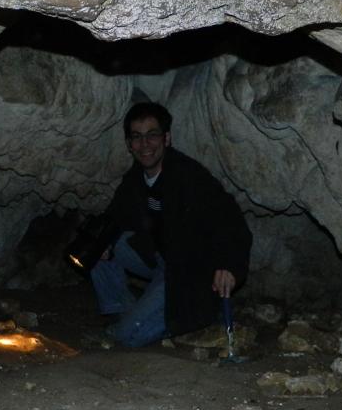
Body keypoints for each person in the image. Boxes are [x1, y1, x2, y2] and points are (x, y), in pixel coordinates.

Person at [90, 100, 252, 347]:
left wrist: (228, 265)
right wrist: (101, 243)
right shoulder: (135, 179)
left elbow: (231, 221)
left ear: (167, 138)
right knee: (95, 246)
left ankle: (198, 315)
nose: (145, 144)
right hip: (162, 259)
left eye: (152, 135)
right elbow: (115, 216)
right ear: (129, 144)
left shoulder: (190, 177)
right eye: (137, 137)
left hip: (189, 270)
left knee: (126, 337)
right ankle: (122, 312)